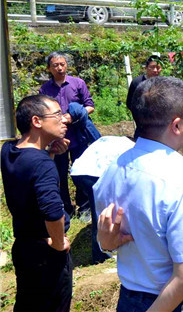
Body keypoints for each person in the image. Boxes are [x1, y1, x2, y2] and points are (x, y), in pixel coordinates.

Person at [94, 76, 183, 312]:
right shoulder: (180, 182)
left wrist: (106, 244)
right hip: (177, 304)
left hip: (130, 298)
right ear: (177, 125)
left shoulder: (113, 169)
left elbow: (106, 237)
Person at [1, 95, 72, 312]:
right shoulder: (41, 164)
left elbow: (29, 180)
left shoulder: (9, 151)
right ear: (37, 121)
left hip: (23, 248)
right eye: (57, 114)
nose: (64, 120)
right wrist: (59, 244)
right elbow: (52, 211)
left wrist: (49, 152)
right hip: (47, 254)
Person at [39, 51, 100, 218]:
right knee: (59, 173)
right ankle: (66, 207)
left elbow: (90, 106)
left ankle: (85, 206)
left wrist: (73, 116)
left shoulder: (78, 83)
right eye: (55, 65)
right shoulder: (45, 89)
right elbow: (42, 112)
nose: (59, 68)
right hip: (56, 137)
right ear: (49, 69)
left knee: (81, 169)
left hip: (78, 135)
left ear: (66, 65)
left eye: (62, 64)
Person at [70, 136, 136, 264]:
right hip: (94, 174)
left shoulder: (111, 140)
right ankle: (100, 256)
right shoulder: (130, 146)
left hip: (78, 172)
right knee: (101, 214)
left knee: (99, 210)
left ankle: (102, 251)